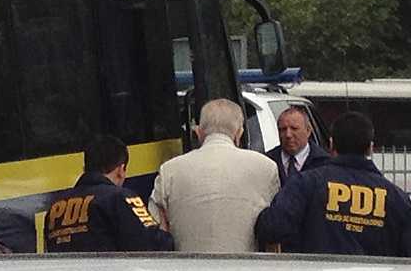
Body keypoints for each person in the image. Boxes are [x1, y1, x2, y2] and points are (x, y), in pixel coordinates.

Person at [255, 111, 411, 258]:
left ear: (331, 145)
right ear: (370, 148)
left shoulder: (306, 183)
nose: (288, 134)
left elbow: (271, 228)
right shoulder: (396, 198)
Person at [148, 98, 280, 252]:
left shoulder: (169, 170)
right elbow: (274, 230)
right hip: (247, 265)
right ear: (239, 134)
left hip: (186, 265)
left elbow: (156, 229)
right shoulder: (266, 167)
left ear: (198, 132)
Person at [44, 135, 174, 252]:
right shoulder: (120, 198)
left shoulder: (55, 206)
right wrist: (164, 232)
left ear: (86, 167)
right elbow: (152, 244)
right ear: (121, 170)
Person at [266, 107, 330, 186]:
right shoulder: (268, 161)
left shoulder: (324, 163)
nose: (288, 135)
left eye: (294, 129)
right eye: (283, 129)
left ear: (308, 131)